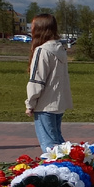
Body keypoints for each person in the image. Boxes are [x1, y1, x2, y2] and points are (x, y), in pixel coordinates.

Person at [24, 13, 72, 152]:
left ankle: (61, 170)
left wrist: (30, 103)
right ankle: (72, 165)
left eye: (32, 26)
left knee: (50, 147)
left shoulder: (42, 51)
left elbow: (37, 80)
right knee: (58, 143)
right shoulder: (59, 49)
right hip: (58, 103)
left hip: (45, 105)